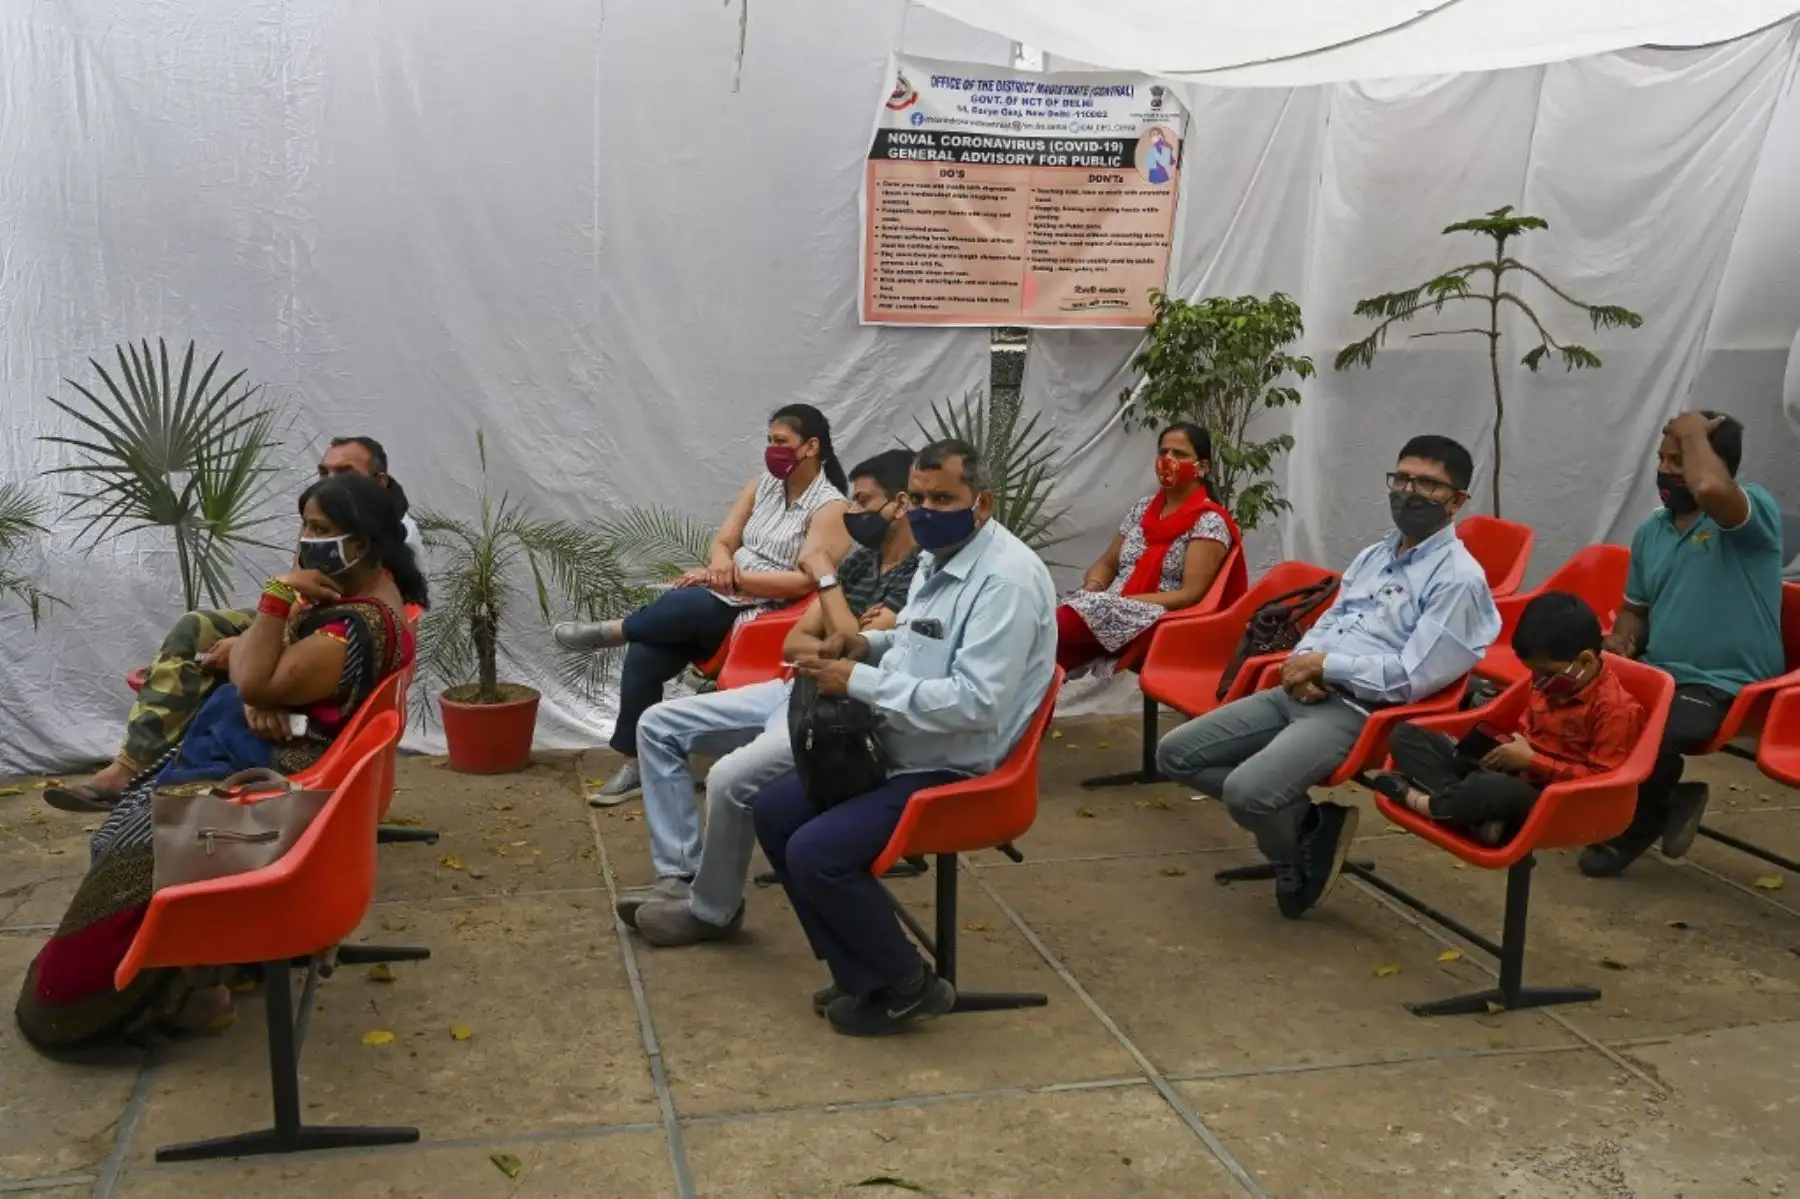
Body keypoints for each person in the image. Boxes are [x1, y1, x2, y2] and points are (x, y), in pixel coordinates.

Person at [17, 474, 426, 1055]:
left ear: (363, 542)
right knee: (128, 821)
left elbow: (259, 675)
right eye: (305, 525)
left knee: (123, 845)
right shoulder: (363, 603)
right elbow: (268, 680)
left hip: (272, 796)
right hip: (277, 762)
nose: (306, 540)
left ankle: (171, 992)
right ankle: (205, 970)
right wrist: (266, 691)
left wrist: (277, 600)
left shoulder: (352, 628)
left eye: (321, 530)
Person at [752, 439, 1056, 1037]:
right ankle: (862, 971)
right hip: (906, 743)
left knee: (817, 852)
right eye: (916, 497)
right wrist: (869, 645)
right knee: (772, 811)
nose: (923, 508)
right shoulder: (939, 554)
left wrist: (859, 681)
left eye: (943, 498)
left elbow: (977, 703)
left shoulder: (1007, 583)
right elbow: (920, 636)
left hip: (958, 766)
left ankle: (908, 986)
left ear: (983, 502)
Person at [1155, 435, 1501, 919]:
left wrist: (1328, 667)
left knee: (1247, 793)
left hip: (1357, 712)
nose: (1409, 492)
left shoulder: (1458, 580)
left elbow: (1413, 678)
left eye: (1428, 484)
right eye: (1401, 478)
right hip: (1304, 689)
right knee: (1175, 754)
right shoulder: (1374, 555)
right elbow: (1329, 621)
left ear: (1457, 500)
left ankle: (1286, 848)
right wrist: (1303, 663)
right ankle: (1308, 824)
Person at [622, 449, 923, 947]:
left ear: (900, 503)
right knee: (656, 724)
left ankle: (713, 911)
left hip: (841, 712)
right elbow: (796, 644)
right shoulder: (863, 560)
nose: (853, 512)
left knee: (727, 779)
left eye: (863, 501)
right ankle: (679, 875)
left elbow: (851, 649)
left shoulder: (918, 574)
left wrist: (825, 580)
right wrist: (838, 630)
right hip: (793, 688)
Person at [44, 436, 420, 812]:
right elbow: (303, 601)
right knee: (197, 632)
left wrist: (260, 682)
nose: (328, 479)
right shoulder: (336, 534)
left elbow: (367, 631)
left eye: (343, 472)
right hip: (310, 644)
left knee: (229, 679)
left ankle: (146, 788)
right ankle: (130, 766)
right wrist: (265, 676)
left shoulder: (375, 577)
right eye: (324, 471)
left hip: (317, 689)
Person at [555, 405, 850, 803]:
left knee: (688, 605)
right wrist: (720, 567)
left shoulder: (830, 506)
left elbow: (806, 579)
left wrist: (739, 580)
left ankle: (617, 629)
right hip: (725, 592)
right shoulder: (761, 485)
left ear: (811, 446)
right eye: (769, 441)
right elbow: (724, 541)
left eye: (781, 442)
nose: (772, 450)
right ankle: (637, 764)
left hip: (768, 610)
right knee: (646, 655)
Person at [1578, 410, 1785, 877]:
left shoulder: (1752, 509)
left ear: (1716, 463)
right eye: (1662, 459)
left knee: (1658, 730)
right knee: (1575, 701)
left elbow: (1712, 490)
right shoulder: (1653, 529)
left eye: (1680, 459)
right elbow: (1637, 610)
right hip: (1660, 670)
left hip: (1727, 683)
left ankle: (1638, 822)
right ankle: (1669, 797)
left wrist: (1692, 426)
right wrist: (1621, 641)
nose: (1666, 470)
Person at [1371, 592, 1646, 846]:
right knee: (1406, 735)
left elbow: (1601, 782)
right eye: (1532, 672)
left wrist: (1531, 761)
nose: (1536, 681)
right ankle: (1472, 814)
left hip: (1549, 797)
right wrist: (1502, 748)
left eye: (1544, 672)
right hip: (1511, 772)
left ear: (1585, 661)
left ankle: (1421, 802)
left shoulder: (1616, 710)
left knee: (1491, 788)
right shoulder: (1548, 683)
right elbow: (1524, 729)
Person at [1057, 422, 1236, 675]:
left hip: (1161, 622)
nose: (1168, 459)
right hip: (1111, 611)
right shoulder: (1143, 509)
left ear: (1203, 467)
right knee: (1046, 659)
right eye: (1163, 452)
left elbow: (1190, 595)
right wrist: (1093, 588)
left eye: (1180, 454)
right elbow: (1107, 563)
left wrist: (1121, 602)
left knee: (1047, 630)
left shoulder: (1209, 521)